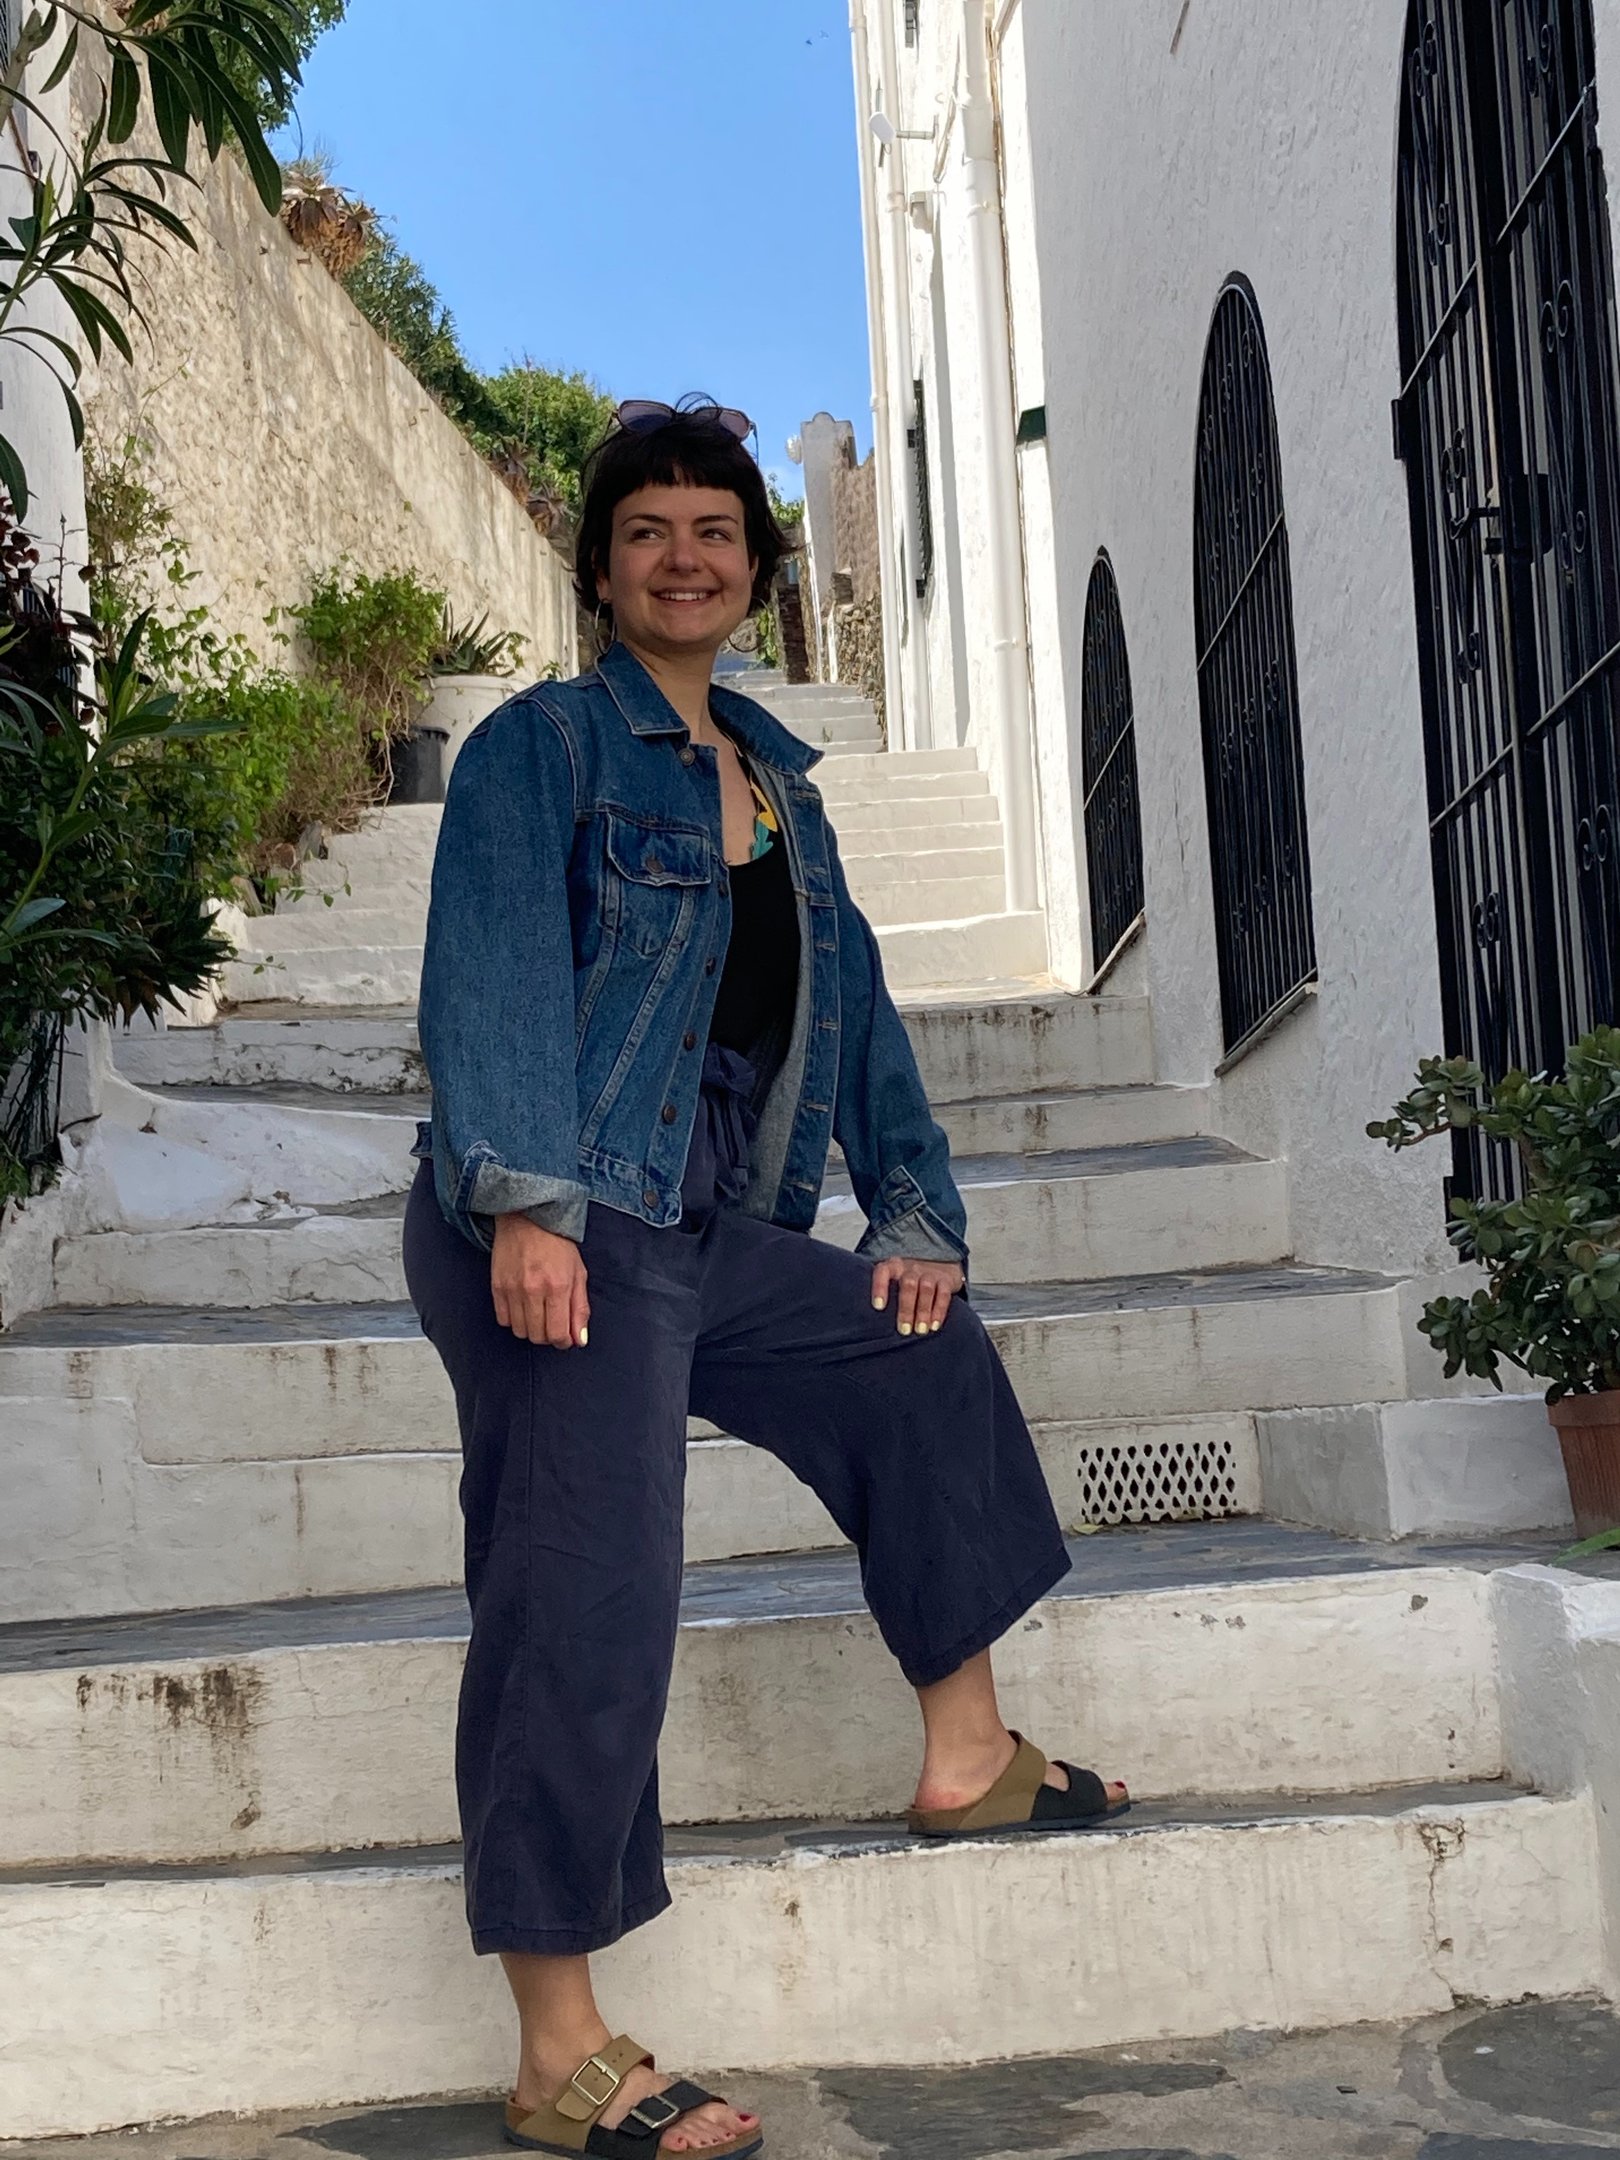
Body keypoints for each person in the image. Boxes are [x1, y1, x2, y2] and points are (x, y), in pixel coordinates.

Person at [403, 396, 1129, 2160]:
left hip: (695, 1224)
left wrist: (916, 1214)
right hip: (562, 1217)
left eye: (715, 532)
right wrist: (523, 1205)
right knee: (586, 1587)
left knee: (913, 1350)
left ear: (757, 572)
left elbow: (858, 1020)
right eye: (648, 529)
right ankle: (557, 2044)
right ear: (599, 569)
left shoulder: (786, 798)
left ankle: (967, 1761)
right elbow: (491, 968)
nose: (684, 555)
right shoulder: (542, 754)